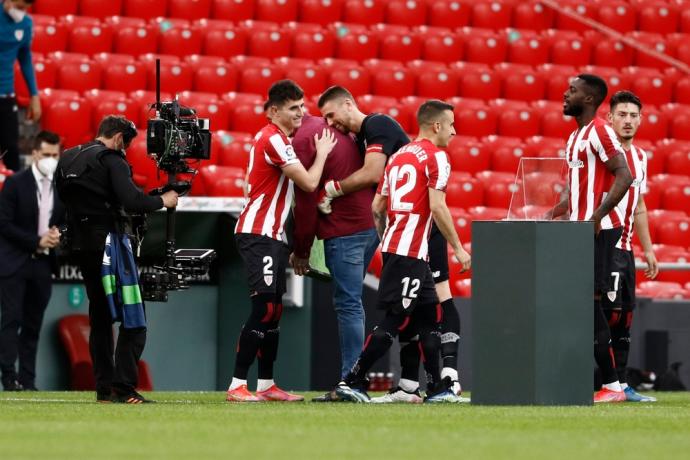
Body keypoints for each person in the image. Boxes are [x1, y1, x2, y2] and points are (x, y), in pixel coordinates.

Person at [318, 85, 471, 403]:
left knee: (429, 317)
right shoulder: (437, 157)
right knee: (395, 320)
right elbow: (438, 206)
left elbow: (377, 207)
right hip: (411, 251)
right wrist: (457, 247)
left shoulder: (399, 155)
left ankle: (436, 390)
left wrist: (389, 234)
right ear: (437, 125)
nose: (455, 132)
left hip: (399, 247)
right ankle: (353, 380)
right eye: (452, 125)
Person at [227, 80, 337, 402]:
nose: (301, 114)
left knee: (274, 311)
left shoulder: (271, 139)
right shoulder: (273, 139)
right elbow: (309, 182)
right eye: (293, 108)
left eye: (302, 107)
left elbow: (251, 185)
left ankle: (266, 385)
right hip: (258, 234)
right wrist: (323, 154)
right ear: (273, 111)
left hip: (272, 235)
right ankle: (236, 385)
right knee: (264, 308)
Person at [56, 115, 178, 403]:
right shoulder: (112, 160)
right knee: (134, 317)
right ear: (120, 138)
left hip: (81, 245)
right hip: (110, 247)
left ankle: (104, 389)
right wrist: (164, 200)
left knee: (99, 318)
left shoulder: (68, 157)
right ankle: (123, 388)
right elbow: (132, 201)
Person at [551, 74, 633, 403]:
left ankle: (612, 385)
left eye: (572, 90)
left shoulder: (599, 130)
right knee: (582, 307)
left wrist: (595, 216)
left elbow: (624, 174)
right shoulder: (576, 137)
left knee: (591, 305)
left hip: (596, 230)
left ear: (588, 99)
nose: (565, 94)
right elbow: (579, 190)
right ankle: (594, 381)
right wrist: (553, 212)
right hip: (579, 228)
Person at [289, 113, 379, 402]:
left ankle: (351, 383)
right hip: (368, 226)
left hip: (345, 230)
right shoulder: (334, 132)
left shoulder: (304, 138)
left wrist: (301, 250)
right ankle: (356, 380)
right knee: (352, 303)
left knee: (349, 304)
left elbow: (305, 202)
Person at [606, 90, 658, 402]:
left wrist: (648, 249)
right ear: (609, 117)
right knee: (607, 316)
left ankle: (622, 383)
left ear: (640, 120)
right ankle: (603, 381)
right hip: (605, 244)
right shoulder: (601, 152)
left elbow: (638, 206)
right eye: (622, 114)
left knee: (625, 319)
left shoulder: (640, 157)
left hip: (626, 250)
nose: (627, 120)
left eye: (633, 115)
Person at [0, 130, 62, 391]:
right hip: (15, 262)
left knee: (33, 324)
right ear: (35, 153)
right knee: (11, 321)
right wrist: (36, 241)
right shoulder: (16, 183)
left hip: (43, 264)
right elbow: (3, 223)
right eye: (46, 154)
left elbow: (65, 221)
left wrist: (58, 235)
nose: (51, 159)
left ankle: (28, 380)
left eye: (55, 155)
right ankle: (9, 378)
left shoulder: (61, 187)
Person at [0, 0, 41, 172]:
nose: (20, 11)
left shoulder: (26, 24)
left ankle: (12, 195)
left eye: (24, 8)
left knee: (11, 149)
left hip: (6, 96)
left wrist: (34, 94)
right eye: (18, 6)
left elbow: (25, 59)